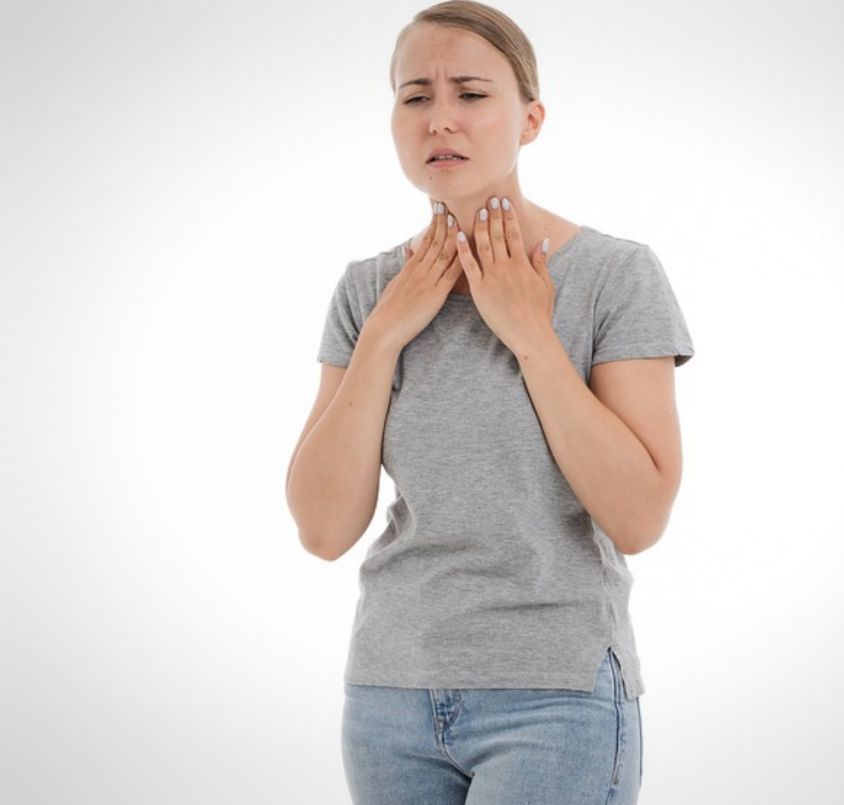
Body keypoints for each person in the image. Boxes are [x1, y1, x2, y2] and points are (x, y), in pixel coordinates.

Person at [285, 2, 695, 802]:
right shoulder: (368, 290)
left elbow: (640, 517)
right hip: (389, 697)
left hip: (555, 696)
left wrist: (530, 333)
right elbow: (323, 529)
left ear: (530, 120)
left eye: (471, 93)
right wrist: (384, 335)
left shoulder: (614, 275)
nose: (440, 118)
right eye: (415, 95)